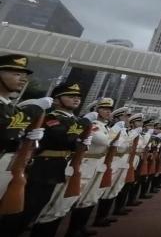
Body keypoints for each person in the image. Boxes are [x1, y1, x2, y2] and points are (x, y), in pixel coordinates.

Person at [0, 82, 92, 237]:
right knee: (24, 211)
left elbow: (72, 144)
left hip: (57, 167)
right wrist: (83, 125)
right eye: (70, 96)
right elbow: (65, 138)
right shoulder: (51, 118)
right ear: (56, 100)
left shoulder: (73, 121)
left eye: (78, 97)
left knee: (41, 209)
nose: (76, 99)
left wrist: (81, 141)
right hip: (42, 168)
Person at [65, 97, 118, 236]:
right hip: (86, 163)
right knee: (77, 197)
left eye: (109, 110)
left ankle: (80, 227)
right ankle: (72, 230)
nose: (108, 112)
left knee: (90, 197)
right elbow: (104, 141)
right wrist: (116, 133)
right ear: (96, 110)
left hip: (98, 163)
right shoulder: (93, 124)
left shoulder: (105, 126)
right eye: (104, 109)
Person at [0, 55, 46, 200]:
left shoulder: (11, 108)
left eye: (24, 75)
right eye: (16, 74)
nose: (23, 79)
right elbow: (5, 133)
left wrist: (27, 137)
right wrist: (34, 109)